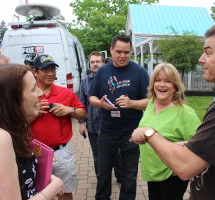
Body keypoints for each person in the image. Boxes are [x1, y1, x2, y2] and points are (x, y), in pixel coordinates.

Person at [130, 22, 215, 200]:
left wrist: (148, 133)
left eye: (208, 52)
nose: (201, 59)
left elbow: (185, 167)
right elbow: (208, 145)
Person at [0, 64, 64, 199]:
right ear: (11, 98)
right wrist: (53, 188)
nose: (40, 93)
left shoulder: (9, 130)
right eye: (33, 88)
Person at [89, 35, 150, 199]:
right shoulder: (102, 71)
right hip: (107, 131)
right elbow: (92, 96)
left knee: (129, 176)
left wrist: (132, 103)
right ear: (111, 50)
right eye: (118, 52)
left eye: (126, 52)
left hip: (131, 132)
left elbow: (150, 101)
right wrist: (100, 104)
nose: (122, 56)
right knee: (103, 174)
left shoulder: (139, 72)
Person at [138, 62, 201, 200]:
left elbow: (199, 145)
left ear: (175, 86)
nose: (161, 85)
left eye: (168, 81)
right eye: (158, 80)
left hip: (172, 175)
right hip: (152, 172)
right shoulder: (151, 104)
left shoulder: (185, 113)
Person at [30, 54, 87, 200]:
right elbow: (16, 122)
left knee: (65, 191)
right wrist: (34, 113)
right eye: (45, 70)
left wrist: (70, 110)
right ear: (35, 71)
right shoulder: (27, 95)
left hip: (62, 152)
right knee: (39, 192)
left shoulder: (66, 93)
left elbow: (83, 114)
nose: (50, 74)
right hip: (36, 152)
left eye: (53, 69)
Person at [78, 51, 123, 183]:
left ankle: (120, 177)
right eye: (92, 62)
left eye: (98, 61)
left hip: (112, 126)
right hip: (93, 126)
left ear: (103, 63)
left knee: (117, 154)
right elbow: (82, 103)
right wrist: (81, 123)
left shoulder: (112, 79)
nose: (95, 64)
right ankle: (102, 180)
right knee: (97, 156)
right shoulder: (85, 81)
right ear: (89, 64)